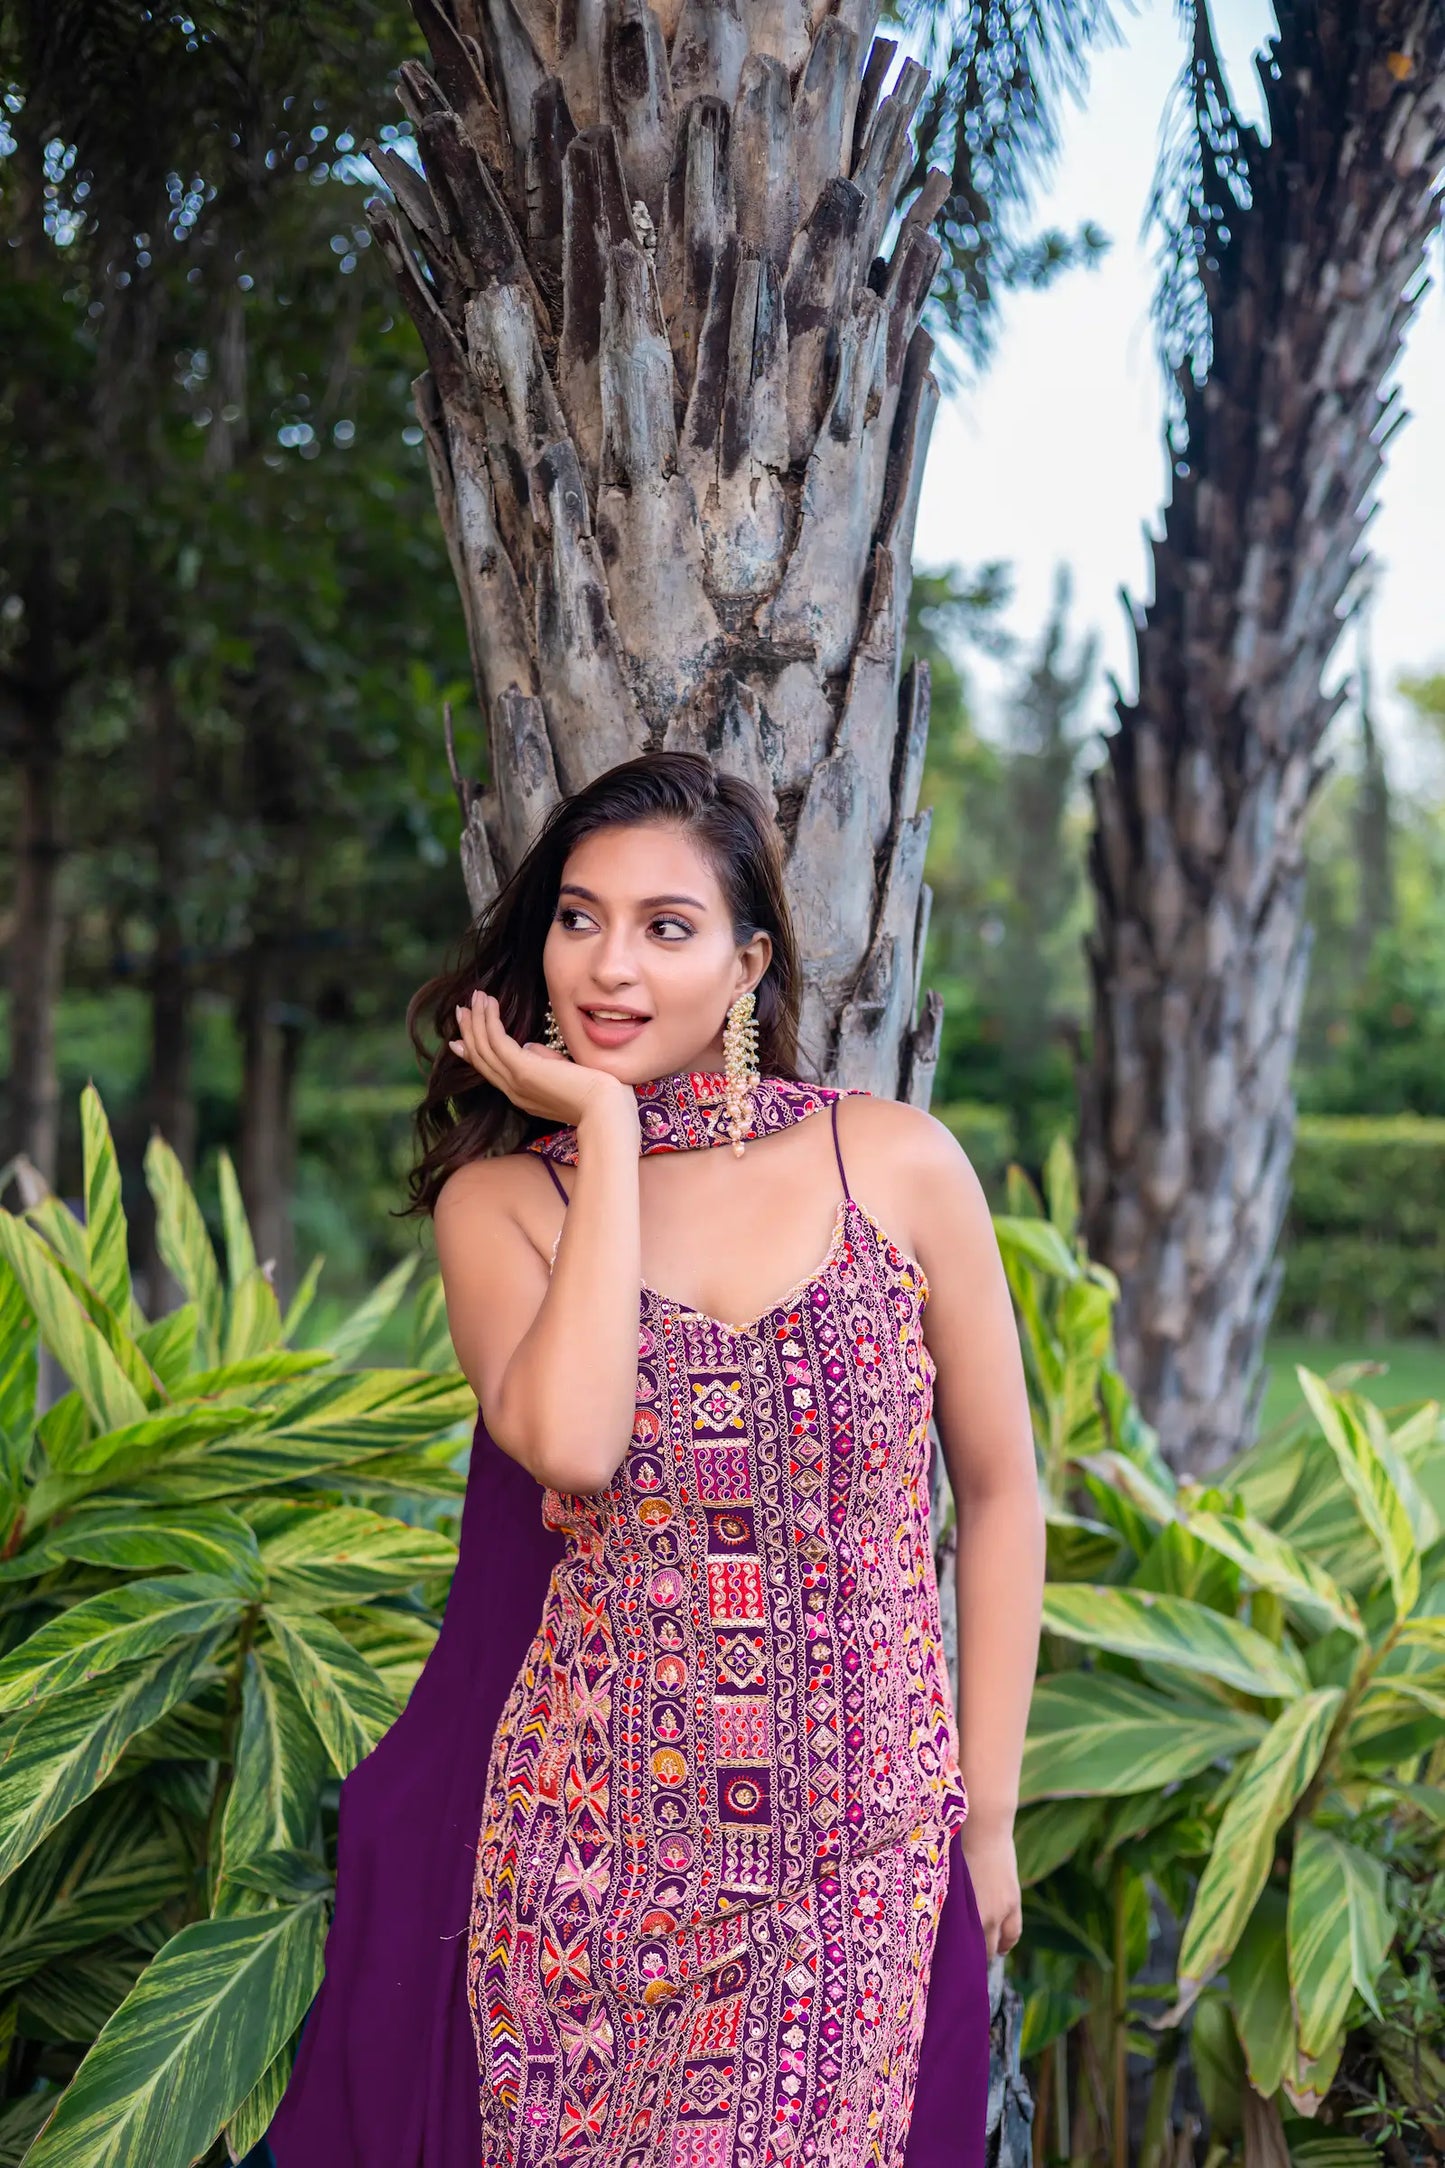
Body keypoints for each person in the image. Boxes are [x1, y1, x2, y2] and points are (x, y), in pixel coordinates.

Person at [264, 751, 1042, 2168]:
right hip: (591, 1866)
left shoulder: (894, 1163)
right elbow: (574, 1443)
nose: (608, 966)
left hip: (860, 1853)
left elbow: (996, 1494)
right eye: (579, 919)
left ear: (746, 966)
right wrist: (608, 1132)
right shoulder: (505, 1203)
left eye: (665, 928)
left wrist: (984, 1816)